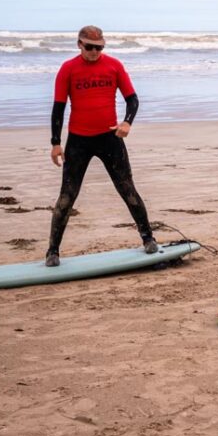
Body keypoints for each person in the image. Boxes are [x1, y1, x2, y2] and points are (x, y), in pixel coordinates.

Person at [46, 25, 158, 266]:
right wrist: (56, 143)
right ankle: (52, 252)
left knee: (127, 190)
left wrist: (127, 122)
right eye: (89, 47)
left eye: (99, 48)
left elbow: (133, 99)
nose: (94, 52)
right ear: (79, 44)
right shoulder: (68, 69)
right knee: (67, 197)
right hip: (78, 141)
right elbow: (58, 107)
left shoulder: (114, 66)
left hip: (110, 138)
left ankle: (148, 238)